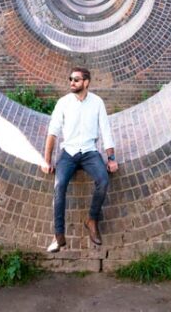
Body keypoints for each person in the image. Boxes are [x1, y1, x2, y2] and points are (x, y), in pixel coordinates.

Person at [41, 67, 118, 252]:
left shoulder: (97, 102)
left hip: (90, 152)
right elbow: (53, 132)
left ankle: (91, 220)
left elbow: (106, 131)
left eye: (76, 79)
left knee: (103, 180)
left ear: (86, 82)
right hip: (68, 153)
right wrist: (47, 160)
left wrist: (111, 158)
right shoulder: (63, 103)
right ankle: (58, 236)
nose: (72, 83)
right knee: (59, 186)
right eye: (70, 79)